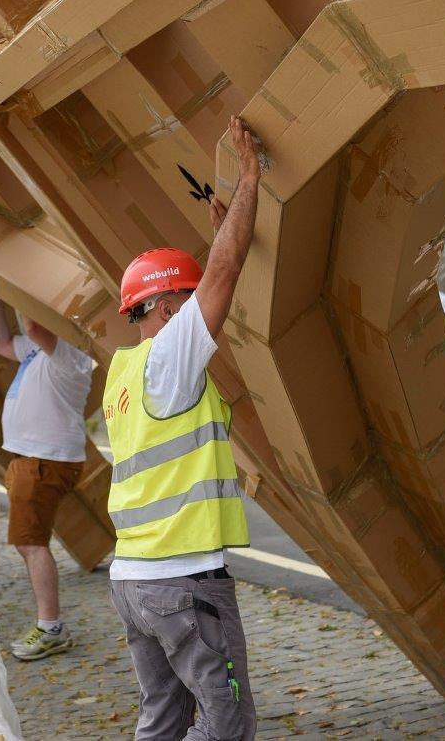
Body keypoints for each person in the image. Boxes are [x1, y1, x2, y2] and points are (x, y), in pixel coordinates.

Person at [104, 115, 261, 740]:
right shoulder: (169, 358)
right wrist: (250, 180)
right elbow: (223, 278)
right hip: (182, 582)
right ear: (168, 309)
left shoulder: (127, 368)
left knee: (163, 718)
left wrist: (219, 236)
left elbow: (217, 281)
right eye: (190, 303)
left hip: (135, 581)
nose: (204, 312)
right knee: (227, 725)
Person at [0, 301, 93, 661]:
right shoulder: (37, 351)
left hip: (44, 462)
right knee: (27, 543)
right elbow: (2, 342)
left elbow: (33, 325)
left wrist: (15, 282)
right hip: (31, 459)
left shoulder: (73, 357)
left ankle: (52, 626)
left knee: (32, 544)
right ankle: (51, 624)